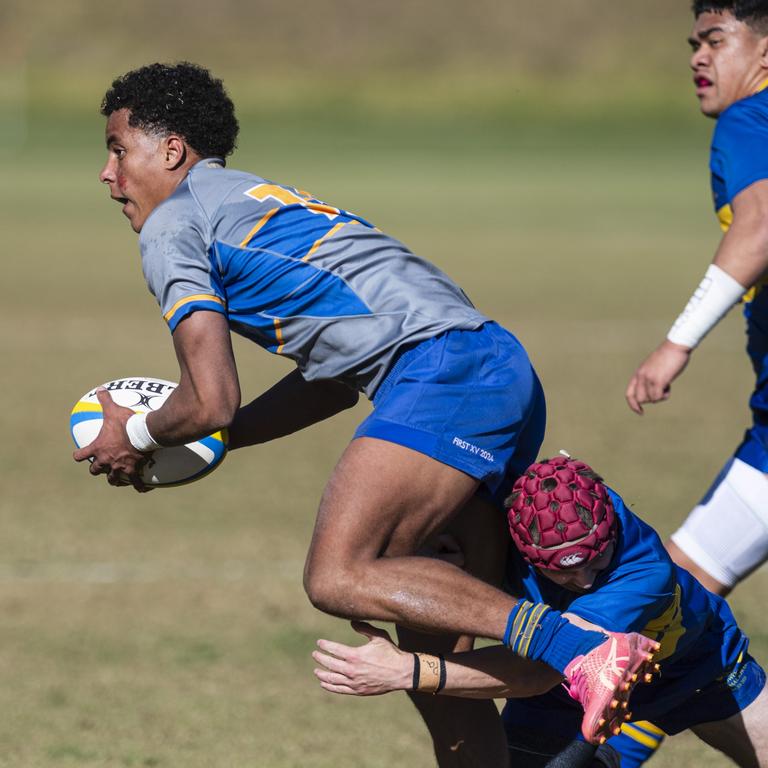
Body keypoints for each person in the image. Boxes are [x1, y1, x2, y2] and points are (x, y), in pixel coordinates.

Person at [72, 62, 657, 746]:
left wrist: (136, 433)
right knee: (437, 671)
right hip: (490, 367)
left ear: (171, 150)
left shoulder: (172, 227)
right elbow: (329, 380)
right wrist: (208, 442)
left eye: (117, 150)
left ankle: (579, 649)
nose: (107, 176)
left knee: (339, 575)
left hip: (442, 375)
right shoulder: (246, 200)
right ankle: (575, 659)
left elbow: (211, 399)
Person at [312, 456, 768, 768]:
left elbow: (534, 673)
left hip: (695, 670)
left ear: (606, 519)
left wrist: (408, 670)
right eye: (564, 574)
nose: (586, 580)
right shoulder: (508, 523)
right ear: (526, 552)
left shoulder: (642, 572)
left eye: (597, 560)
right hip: (565, 699)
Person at [626, 0, 768, 597]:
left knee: (665, 608)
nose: (699, 58)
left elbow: (759, 224)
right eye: (693, 46)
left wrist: (674, 344)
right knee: (679, 594)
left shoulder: (750, 120)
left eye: (715, 40)